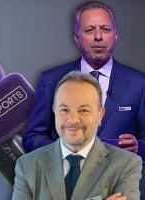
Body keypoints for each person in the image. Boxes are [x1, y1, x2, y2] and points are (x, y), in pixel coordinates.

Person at [21, 0, 145, 196]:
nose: (98, 37)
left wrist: (140, 146)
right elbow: (32, 139)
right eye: (89, 30)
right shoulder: (51, 80)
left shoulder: (140, 83)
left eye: (105, 29)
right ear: (76, 38)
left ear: (116, 35)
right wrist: (65, 149)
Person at [13, 71, 142, 200]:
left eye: (84, 110)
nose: (73, 120)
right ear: (54, 112)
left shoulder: (126, 164)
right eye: (64, 110)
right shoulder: (27, 166)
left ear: (100, 114)